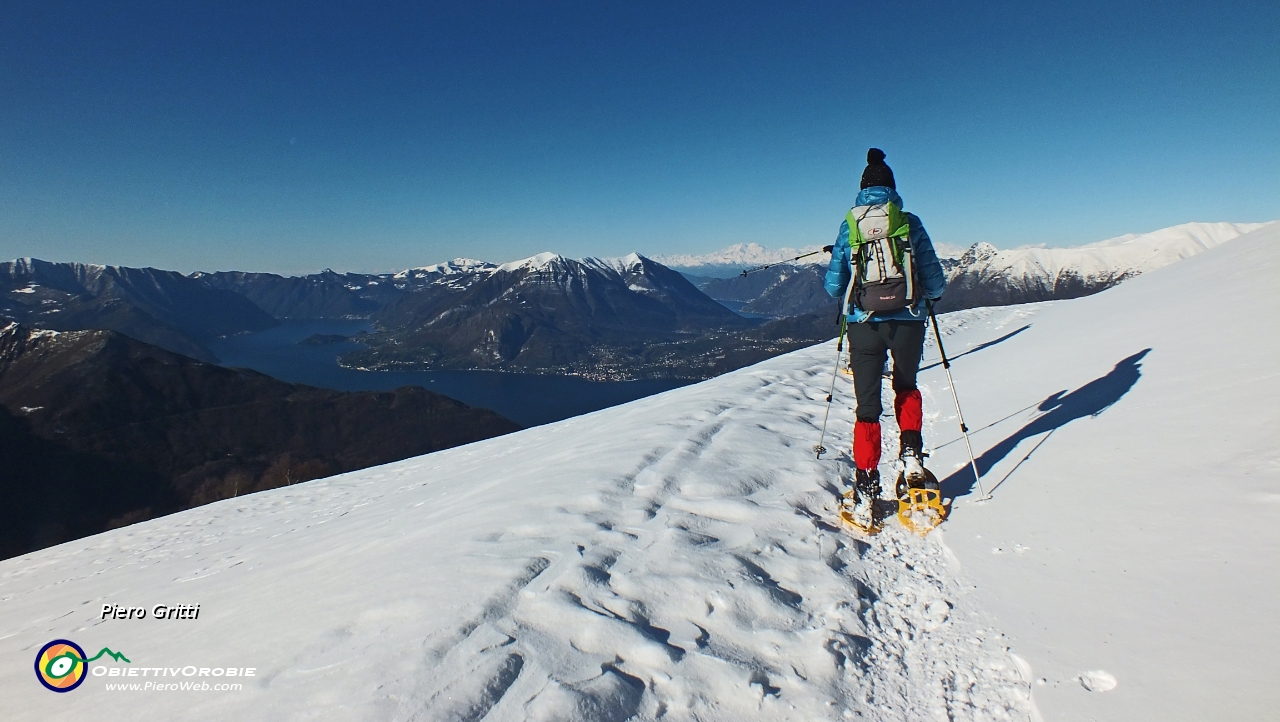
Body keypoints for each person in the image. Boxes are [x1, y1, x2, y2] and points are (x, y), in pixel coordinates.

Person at [824, 148, 947, 502]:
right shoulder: (909, 222)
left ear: (862, 189)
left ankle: (866, 481)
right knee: (906, 386)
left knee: (867, 407)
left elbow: (834, 286)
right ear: (892, 188)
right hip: (908, 321)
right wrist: (925, 299)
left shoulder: (849, 227)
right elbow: (935, 282)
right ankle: (912, 457)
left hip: (863, 326)